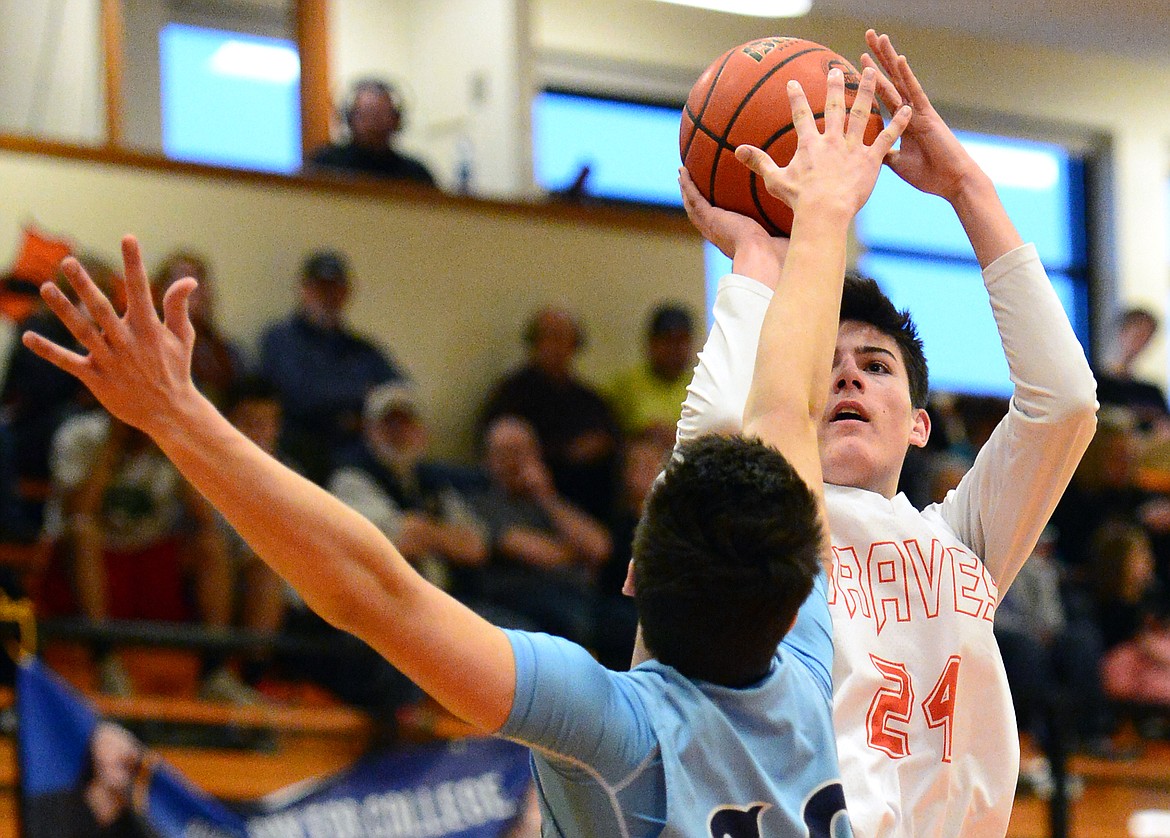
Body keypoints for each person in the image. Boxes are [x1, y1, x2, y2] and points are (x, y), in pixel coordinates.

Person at [21, 64, 908, 835]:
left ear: (633, 570)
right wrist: (821, 220)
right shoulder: (809, 664)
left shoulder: (615, 730)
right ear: (803, 588)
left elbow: (369, 588)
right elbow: (785, 417)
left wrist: (175, 414)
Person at [670, 30, 1097, 836]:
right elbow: (726, 428)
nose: (847, 376)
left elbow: (1066, 402)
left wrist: (966, 185)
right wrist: (758, 263)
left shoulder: (961, 542)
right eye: (825, 363)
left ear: (919, 425)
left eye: (876, 365)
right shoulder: (746, 527)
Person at [259, 248, 406, 484]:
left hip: (363, 459)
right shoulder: (280, 340)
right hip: (304, 459)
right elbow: (300, 398)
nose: (328, 295)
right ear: (304, 289)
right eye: (321, 287)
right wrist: (360, 404)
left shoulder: (362, 349)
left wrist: (354, 413)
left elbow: (402, 394)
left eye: (335, 287)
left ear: (347, 292)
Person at [480, 306, 621, 519]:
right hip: (529, 501)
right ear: (534, 343)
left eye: (564, 338)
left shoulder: (591, 399)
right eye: (549, 337)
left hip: (592, 502)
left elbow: (613, 440)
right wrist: (569, 452)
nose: (557, 346)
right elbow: (495, 451)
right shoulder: (510, 394)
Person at [23, 720, 158, 838]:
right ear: (94, 760)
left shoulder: (131, 821)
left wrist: (138, 807)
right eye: (110, 751)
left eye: (127, 763)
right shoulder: (50, 809)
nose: (118, 759)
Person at [150, 250, 245, 408]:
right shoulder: (148, 348)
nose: (191, 289)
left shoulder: (228, 353)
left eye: (198, 280)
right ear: (160, 291)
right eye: (180, 280)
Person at [307, 79, 436, 185]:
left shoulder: (416, 174)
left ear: (397, 120)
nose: (374, 122)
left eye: (382, 114)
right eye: (367, 113)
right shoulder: (324, 164)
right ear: (349, 118)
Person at [607, 302, 698, 448]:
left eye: (681, 340)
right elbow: (610, 438)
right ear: (651, 343)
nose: (674, 349)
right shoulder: (625, 385)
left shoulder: (701, 384)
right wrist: (642, 434)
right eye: (667, 340)